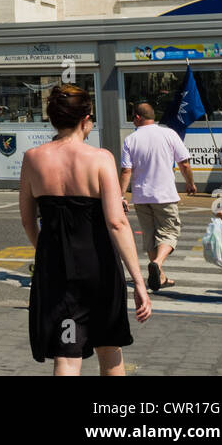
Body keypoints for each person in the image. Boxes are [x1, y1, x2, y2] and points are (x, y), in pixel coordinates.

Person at [20, 84, 150, 376]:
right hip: (99, 266)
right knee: (109, 346)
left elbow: (28, 221)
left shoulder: (32, 158)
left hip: (55, 269)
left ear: (53, 118)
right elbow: (117, 222)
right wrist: (138, 281)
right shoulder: (101, 158)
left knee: (66, 354)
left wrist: (45, 252)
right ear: (85, 119)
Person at [119, 102, 197, 291]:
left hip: (141, 196)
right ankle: (158, 263)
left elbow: (126, 171)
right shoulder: (169, 134)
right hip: (165, 195)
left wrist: (121, 196)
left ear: (138, 117)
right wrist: (190, 183)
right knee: (169, 232)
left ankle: (160, 276)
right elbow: (184, 163)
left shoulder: (130, 140)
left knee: (150, 235)